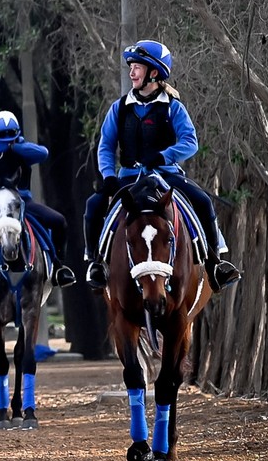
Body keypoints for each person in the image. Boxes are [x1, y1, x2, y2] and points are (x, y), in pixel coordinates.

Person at [83, 40, 241, 292]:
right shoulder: (119, 109)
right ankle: (95, 263)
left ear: (153, 73)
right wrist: (109, 176)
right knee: (93, 205)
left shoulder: (173, 107)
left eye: (137, 67)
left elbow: (190, 142)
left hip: (166, 176)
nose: (132, 72)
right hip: (129, 178)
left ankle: (215, 264)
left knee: (202, 201)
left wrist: (163, 157)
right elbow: (105, 147)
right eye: (131, 67)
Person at [0, 111, 77, 291]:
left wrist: (15, 147)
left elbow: (43, 153)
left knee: (59, 221)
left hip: (22, 202)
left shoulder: (23, 149)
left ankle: (59, 267)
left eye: (11, 134)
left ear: (17, 133)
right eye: (3, 135)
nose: (7, 139)